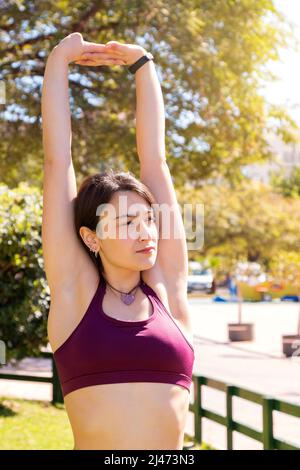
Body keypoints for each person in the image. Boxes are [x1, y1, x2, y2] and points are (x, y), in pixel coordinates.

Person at [41, 33, 195, 450]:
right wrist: (59, 62)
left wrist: (144, 65)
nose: (145, 231)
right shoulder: (75, 294)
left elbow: (155, 160)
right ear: (91, 237)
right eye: (127, 222)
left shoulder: (166, 287)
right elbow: (58, 164)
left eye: (148, 219)